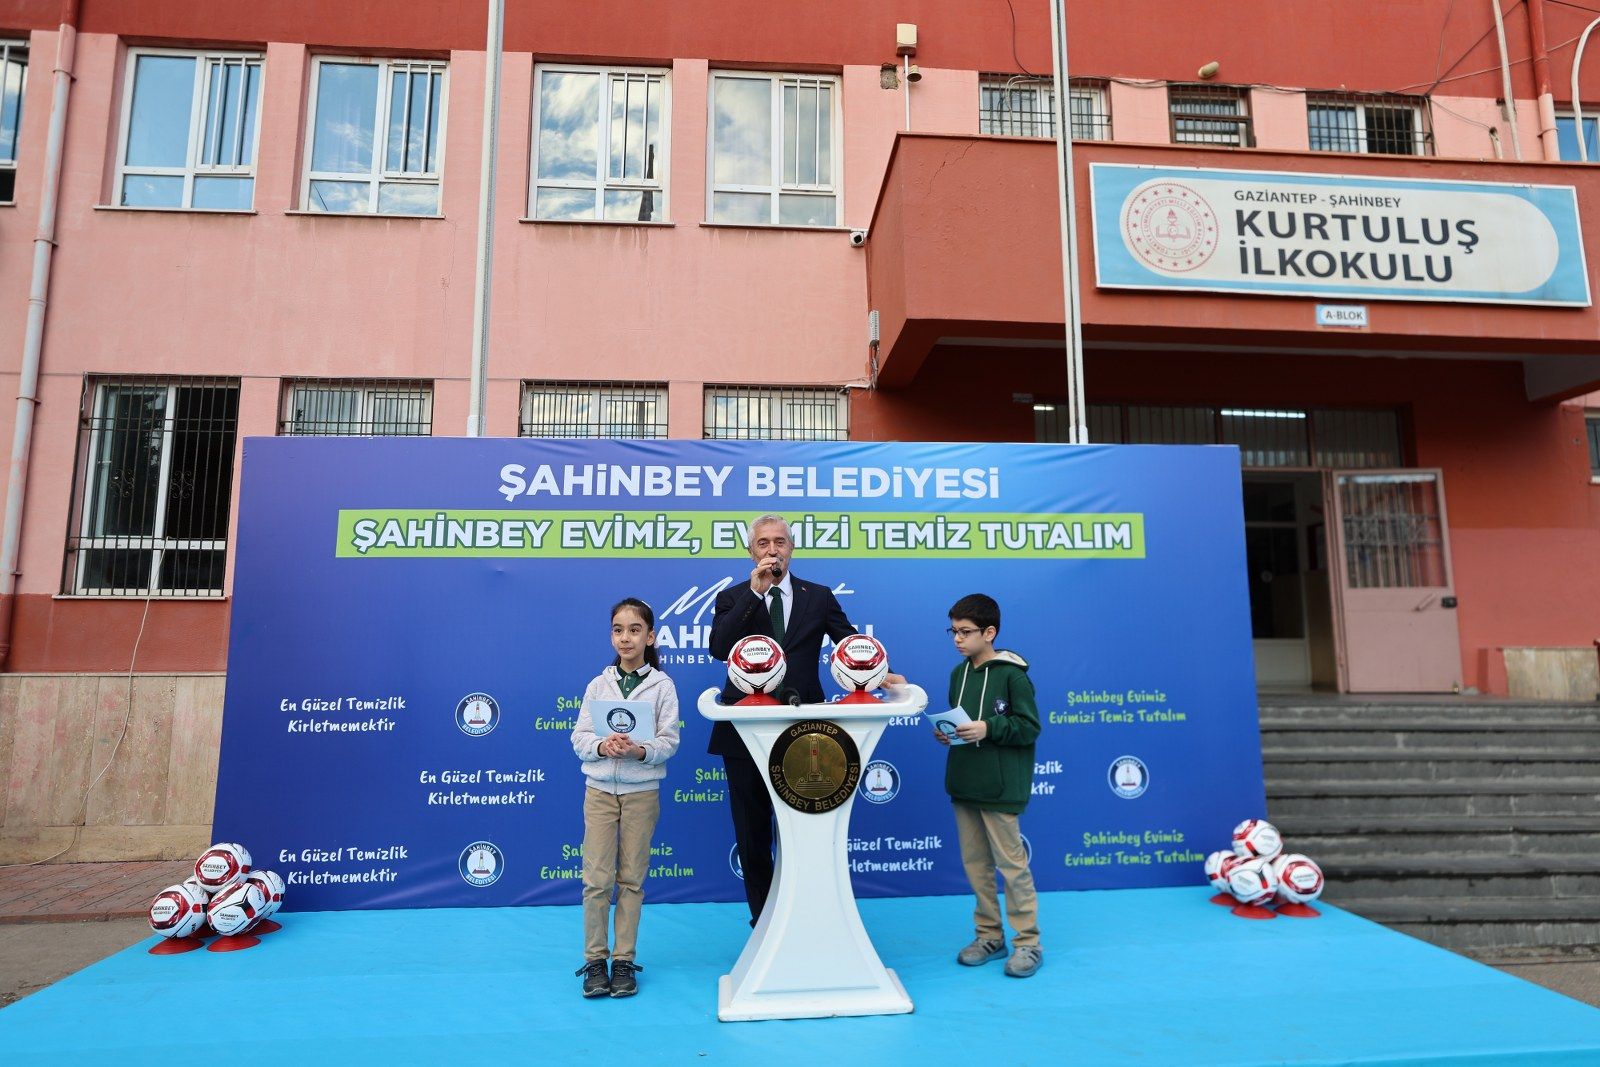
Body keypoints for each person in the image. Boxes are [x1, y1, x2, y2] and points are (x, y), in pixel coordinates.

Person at [708, 514, 857, 924]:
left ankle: (806, 917)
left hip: (804, 730)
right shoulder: (733, 597)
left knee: (804, 831)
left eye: (780, 542)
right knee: (752, 832)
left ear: (791, 548)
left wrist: (883, 672)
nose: (772, 550)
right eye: (763, 543)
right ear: (750, 551)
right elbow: (719, 648)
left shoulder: (819, 596)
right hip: (744, 732)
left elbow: (849, 643)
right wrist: (754, 595)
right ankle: (763, 921)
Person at [570, 597, 681, 998]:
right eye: (618, 630)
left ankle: (623, 961)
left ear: (650, 637)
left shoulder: (663, 686)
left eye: (635, 630)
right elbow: (580, 738)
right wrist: (603, 746)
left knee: (631, 880)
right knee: (596, 880)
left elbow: (669, 741)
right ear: (611, 636)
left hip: (641, 794)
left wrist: (639, 751)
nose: (625, 637)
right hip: (599, 791)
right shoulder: (598, 685)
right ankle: (595, 960)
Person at [934, 592, 1042, 978]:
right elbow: (963, 722)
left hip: (1000, 788)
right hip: (965, 783)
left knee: (1012, 867)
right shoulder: (957, 674)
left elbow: (1028, 727)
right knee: (976, 867)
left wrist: (988, 727)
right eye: (953, 631)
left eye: (965, 632)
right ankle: (989, 937)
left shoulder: (1013, 675)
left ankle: (1028, 943)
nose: (957, 639)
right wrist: (949, 734)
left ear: (989, 632)